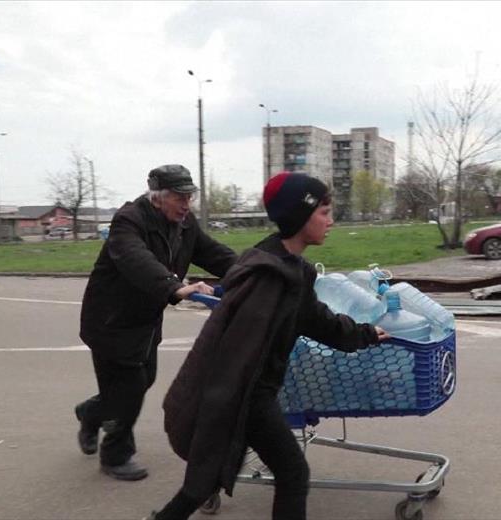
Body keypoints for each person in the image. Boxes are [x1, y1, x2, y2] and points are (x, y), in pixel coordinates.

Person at [148, 172, 388, 520]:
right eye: (323, 212)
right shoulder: (267, 278)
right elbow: (229, 355)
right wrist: (221, 410)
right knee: (292, 472)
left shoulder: (293, 270)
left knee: (202, 481)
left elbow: (318, 320)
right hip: (246, 395)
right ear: (300, 215)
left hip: (253, 392)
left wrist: (365, 333)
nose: (331, 221)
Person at [74, 164, 238, 481]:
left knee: (143, 380)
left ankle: (91, 413)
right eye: (180, 197)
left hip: (145, 321)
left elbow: (215, 254)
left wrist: (254, 270)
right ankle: (115, 454)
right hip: (110, 321)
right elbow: (137, 260)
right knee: (130, 387)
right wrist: (174, 287)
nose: (186, 203)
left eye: (190, 196)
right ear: (157, 197)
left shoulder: (184, 224)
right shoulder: (128, 221)